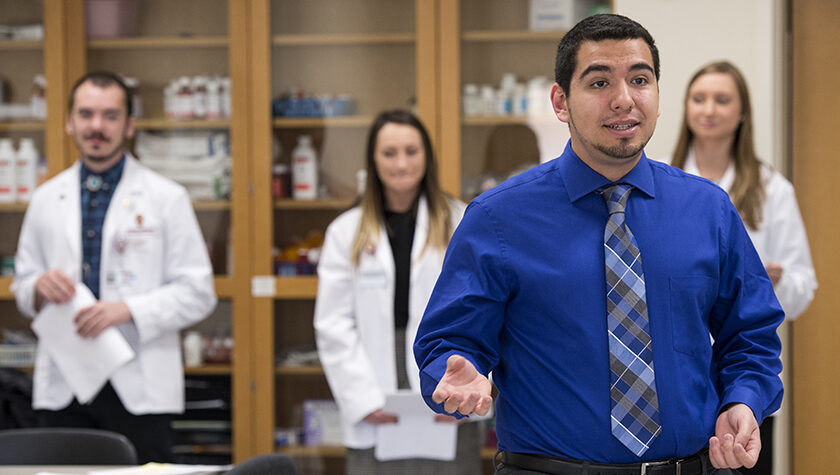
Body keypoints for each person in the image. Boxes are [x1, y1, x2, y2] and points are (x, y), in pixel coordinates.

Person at [414, 13, 784, 475]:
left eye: (640, 79)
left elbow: (751, 335)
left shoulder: (708, 210)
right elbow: (448, 340)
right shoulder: (497, 218)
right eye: (599, 83)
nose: (624, 99)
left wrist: (743, 402)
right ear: (561, 101)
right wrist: (458, 370)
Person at [12, 71, 217, 463]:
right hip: (64, 386)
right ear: (70, 121)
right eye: (86, 114)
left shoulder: (166, 198)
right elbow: (21, 285)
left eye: (110, 116)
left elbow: (198, 292)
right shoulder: (44, 199)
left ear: (129, 125)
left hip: (139, 385)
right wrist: (38, 285)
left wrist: (128, 310)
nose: (96, 126)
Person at [670, 61, 817, 475]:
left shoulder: (772, 189)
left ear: (742, 112)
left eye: (722, 99)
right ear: (684, 108)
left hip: (744, 379)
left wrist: (772, 284)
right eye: (699, 99)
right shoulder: (658, 184)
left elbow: (804, 285)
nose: (709, 110)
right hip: (678, 379)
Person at [314, 110, 479, 474]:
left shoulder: (462, 221)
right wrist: (361, 399)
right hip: (371, 379)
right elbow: (333, 325)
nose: (401, 163)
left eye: (411, 151)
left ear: (427, 157)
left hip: (446, 374)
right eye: (389, 153)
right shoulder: (346, 232)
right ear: (373, 160)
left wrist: (465, 392)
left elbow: (481, 312)